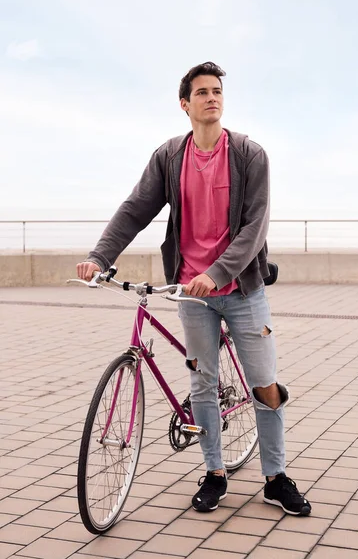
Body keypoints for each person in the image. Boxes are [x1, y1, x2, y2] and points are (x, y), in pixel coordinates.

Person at [77, 61, 311, 516]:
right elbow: (135, 209)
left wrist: (218, 273)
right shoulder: (169, 157)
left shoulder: (248, 154)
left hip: (241, 290)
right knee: (202, 383)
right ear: (184, 104)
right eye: (201, 92)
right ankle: (214, 474)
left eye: (216, 91)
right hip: (191, 294)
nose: (211, 97)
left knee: (264, 385)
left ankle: (276, 477)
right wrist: (100, 257)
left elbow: (254, 228)